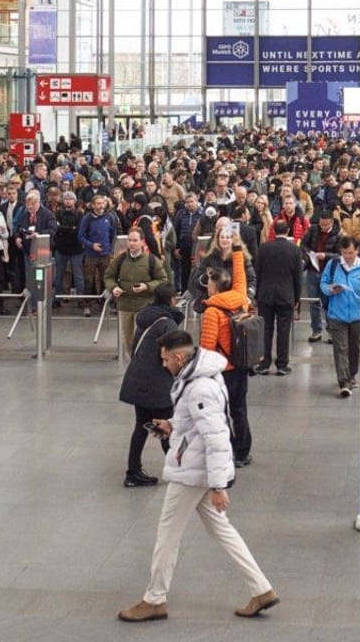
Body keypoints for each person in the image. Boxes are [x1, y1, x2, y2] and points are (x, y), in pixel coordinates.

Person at [117, 329, 278, 623]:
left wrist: (218, 485)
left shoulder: (199, 387)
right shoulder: (198, 375)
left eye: (166, 360)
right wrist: (172, 425)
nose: (164, 365)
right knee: (222, 529)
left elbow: (216, 436)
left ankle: (154, 599)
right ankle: (261, 589)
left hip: (193, 472)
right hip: (197, 466)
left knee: (168, 534)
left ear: (179, 357)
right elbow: (197, 421)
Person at [118, 284, 182, 488]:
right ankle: (178, 471)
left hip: (138, 379)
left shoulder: (145, 318)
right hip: (158, 383)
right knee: (166, 426)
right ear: (171, 299)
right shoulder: (167, 323)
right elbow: (173, 355)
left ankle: (133, 471)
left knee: (141, 426)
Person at [198, 248, 254, 465]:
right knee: (240, 408)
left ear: (215, 286)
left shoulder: (213, 311)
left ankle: (228, 448)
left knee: (221, 412)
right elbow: (240, 277)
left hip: (223, 370)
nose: (207, 286)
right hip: (241, 364)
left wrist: (200, 372)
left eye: (209, 283)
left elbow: (207, 347)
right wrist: (237, 249)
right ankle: (243, 451)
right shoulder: (240, 299)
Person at [106, 228, 169, 356]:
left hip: (145, 306)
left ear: (142, 242)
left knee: (143, 341)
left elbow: (163, 280)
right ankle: (134, 365)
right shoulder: (119, 260)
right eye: (129, 240)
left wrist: (147, 286)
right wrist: (113, 288)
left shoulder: (151, 260)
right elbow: (108, 277)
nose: (132, 243)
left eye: (135, 240)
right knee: (129, 342)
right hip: (125, 306)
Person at [253, 220, 303, 376]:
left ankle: (264, 363)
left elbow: (257, 272)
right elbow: (298, 277)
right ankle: (282, 364)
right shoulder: (294, 250)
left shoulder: (263, 248)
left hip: (265, 295)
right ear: (288, 230)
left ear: (273, 230)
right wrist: (296, 298)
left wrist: (256, 294)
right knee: (283, 331)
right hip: (286, 295)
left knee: (265, 330)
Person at [321, 236, 360, 399]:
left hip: (358, 315)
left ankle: (352, 375)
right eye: (345, 253)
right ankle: (344, 382)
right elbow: (323, 284)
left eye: (351, 253)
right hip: (337, 314)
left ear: (357, 251)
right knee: (341, 348)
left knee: (355, 348)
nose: (348, 256)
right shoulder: (333, 265)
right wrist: (330, 289)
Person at [300, 210, 340, 343]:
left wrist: (326, 255)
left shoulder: (338, 234)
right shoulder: (313, 230)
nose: (323, 227)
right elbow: (303, 244)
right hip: (312, 269)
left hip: (329, 273)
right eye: (321, 224)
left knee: (329, 304)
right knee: (313, 302)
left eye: (326, 225)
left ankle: (332, 331)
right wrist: (309, 253)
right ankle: (316, 330)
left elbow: (340, 255)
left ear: (332, 223)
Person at [80, 194, 117, 315]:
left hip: (105, 254)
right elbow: (81, 236)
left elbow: (113, 234)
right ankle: (87, 305)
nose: (101, 206)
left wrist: (110, 249)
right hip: (91, 254)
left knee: (104, 280)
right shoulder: (87, 218)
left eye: (103, 203)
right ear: (93, 205)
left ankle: (103, 304)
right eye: (98, 203)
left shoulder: (110, 217)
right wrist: (91, 245)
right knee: (88, 280)